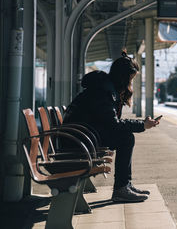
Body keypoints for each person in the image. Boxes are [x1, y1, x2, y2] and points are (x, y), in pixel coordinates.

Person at [63, 50, 159, 202]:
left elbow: (110, 121)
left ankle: (124, 185)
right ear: (123, 76)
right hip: (77, 140)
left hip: (81, 136)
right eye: (130, 79)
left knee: (125, 137)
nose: (130, 83)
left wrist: (141, 123)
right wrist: (142, 125)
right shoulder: (103, 91)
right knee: (126, 138)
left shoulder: (105, 88)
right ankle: (121, 188)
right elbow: (113, 124)